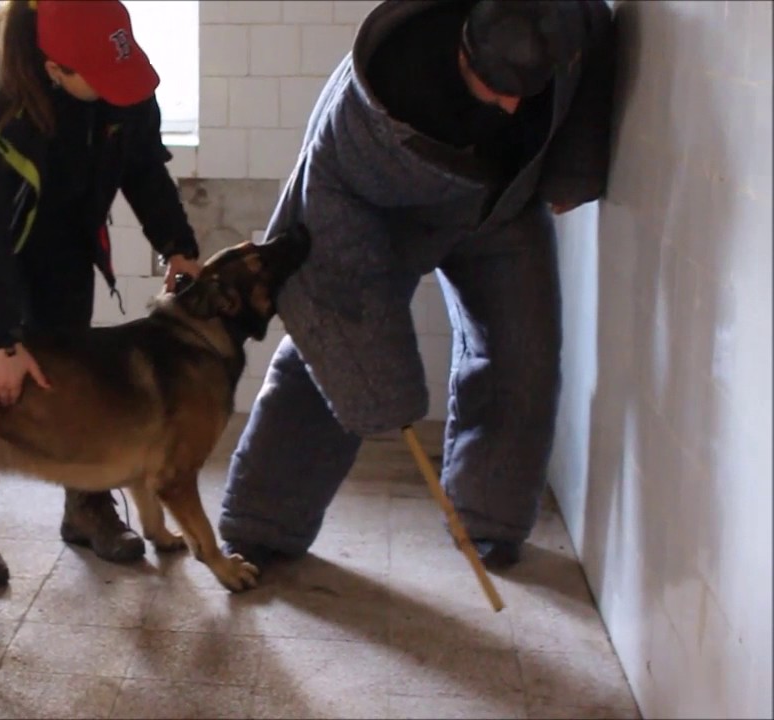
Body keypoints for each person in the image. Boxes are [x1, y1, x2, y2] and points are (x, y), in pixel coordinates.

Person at [218, 0, 617, 570]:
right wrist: (378, 384)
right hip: (378, 211)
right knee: (326, 357)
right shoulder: (370, 108)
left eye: (524, 91)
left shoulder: (568, 20)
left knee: (524, 352)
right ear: (463, 47)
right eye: (495, 86)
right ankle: (265, 524)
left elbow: (595, 47)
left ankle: (492, 517)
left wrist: (574, 168)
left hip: (501, 205)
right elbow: (338, 285)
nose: (509, 106)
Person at [0, 0, 202, 588]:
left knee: (73, 368)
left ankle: (87, 504)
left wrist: (177, 244)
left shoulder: (119, 74)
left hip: (56, 227)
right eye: (101, 82)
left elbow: (142, 166)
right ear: (55, 67)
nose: (118, 91)